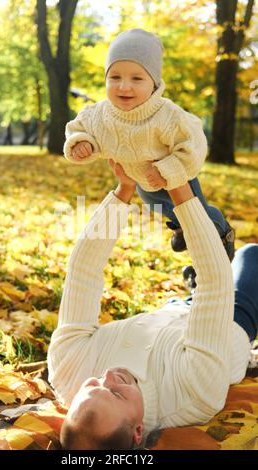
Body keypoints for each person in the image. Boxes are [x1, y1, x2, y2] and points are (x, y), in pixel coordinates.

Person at [47, 160, 257, 450]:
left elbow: (83, 270)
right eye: (116, 394)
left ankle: (210, 241)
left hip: (172, 312)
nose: (108, 376)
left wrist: (123, 191)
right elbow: (216, 285)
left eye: (93, 385)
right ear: (138, 431)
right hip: (227, 319)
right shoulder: (195, 397)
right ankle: (212, 240)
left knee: (204, 258)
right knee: (251, 256)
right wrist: (179, 189)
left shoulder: (67, 372)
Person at [63, 28, 235, 260]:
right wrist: (81, 143)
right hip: (143, 182)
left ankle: (221, 234)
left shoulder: (166, 115)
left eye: (137, 78)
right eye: (115, 77)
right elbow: (78, 128)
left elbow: (194, 144)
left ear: (153, 83)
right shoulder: (99, 114)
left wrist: (168, 169)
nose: (124, 86)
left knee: (197, 219)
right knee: (163, 208)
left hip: (176, 176)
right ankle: (180, 226)